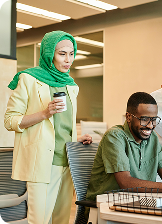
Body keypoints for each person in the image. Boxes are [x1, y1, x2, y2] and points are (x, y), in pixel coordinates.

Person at [4, 30, 92, 224]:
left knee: (61, 219)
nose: (68, 59)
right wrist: (44, 113)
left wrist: (77, 139)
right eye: (62, 54)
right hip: (42, 162)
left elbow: (60, 127)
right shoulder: (28, 79)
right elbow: (10, 121)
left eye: (71, 53)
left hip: (67, 161)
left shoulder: (71, 86)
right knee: (40, 220)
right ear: (49, 53)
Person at [86, 92, 162, 202]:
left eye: (154, 119)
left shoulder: (152, 138)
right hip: (106, 203)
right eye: (144, 119)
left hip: (139, 202)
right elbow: (125, 182)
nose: (150, 126)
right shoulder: (114, 136)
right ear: (128, 117)